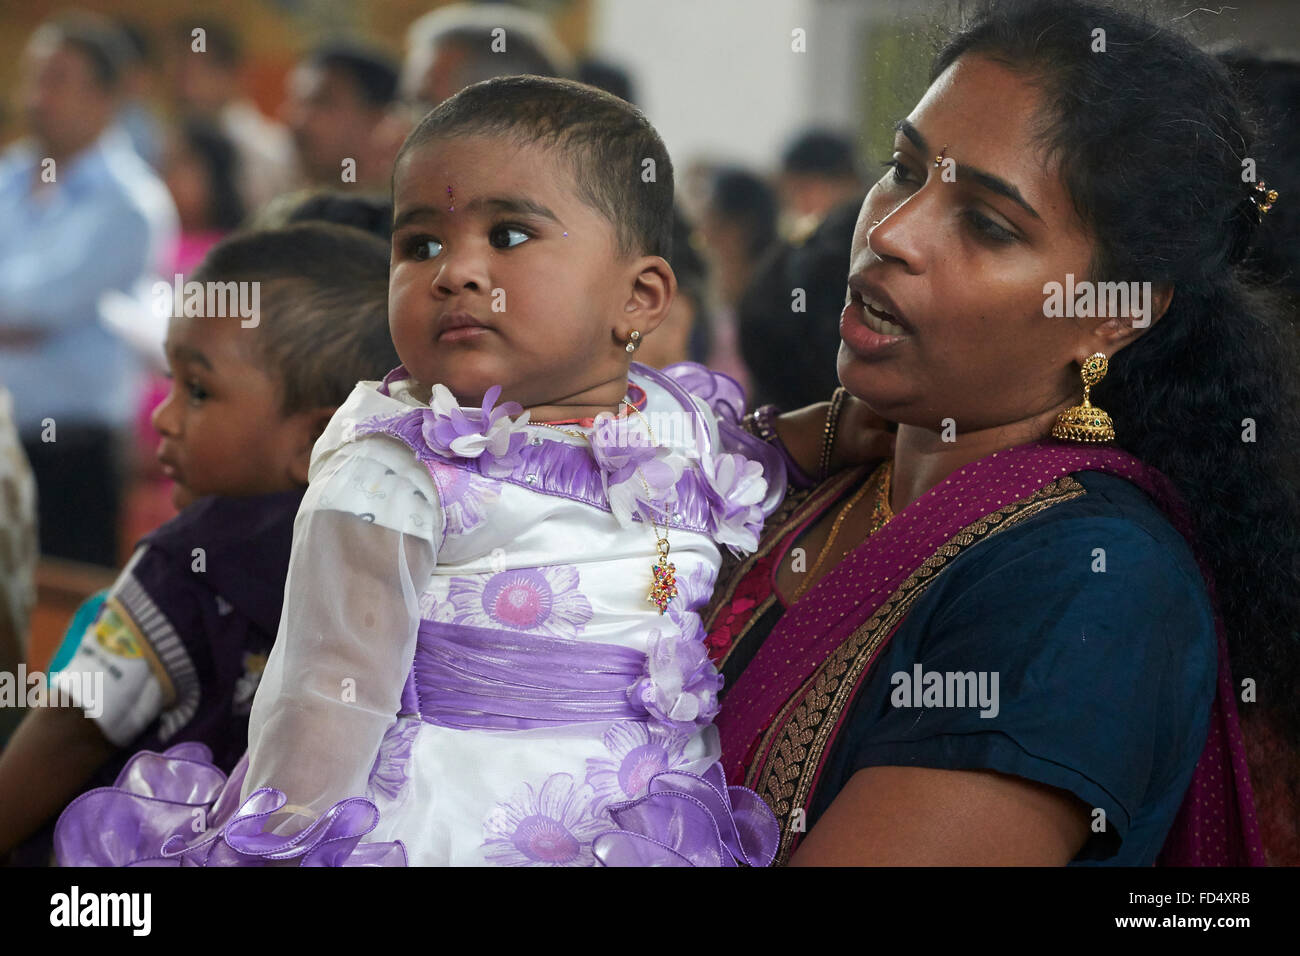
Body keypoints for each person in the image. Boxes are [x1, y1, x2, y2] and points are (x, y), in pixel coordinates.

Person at [55, 76, 785, 868]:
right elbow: (324, 691)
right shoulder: (396, 464)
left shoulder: (680, 425)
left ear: (640, 297)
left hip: (650, 827)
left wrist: (848, 424)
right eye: (421, 244)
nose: (455, 272)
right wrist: (276, 845)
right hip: (455, 825)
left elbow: (787, 448)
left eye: (508, 235)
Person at [707, 0, 1300, 866]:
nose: (888, 231)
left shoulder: (1088, 586)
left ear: (1112, 315)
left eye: (987, 224)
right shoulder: (823, 474)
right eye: (904, 170)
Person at [0, 223, 399, 865]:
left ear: (316, 438)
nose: (164, 416)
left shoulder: (186, 558)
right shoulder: (390, 552)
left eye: (199, 391)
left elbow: (71, 728)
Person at [0, 14, 178, 567]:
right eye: (33, 77)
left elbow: (38, 308)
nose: (35, 96)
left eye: (55, 79)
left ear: (106, 97)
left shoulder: (129, 202)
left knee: (56, 610)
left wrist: (23, 315)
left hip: (69, 451)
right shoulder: (8, 175)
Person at [284, 42, 400, 191]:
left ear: (376, 118)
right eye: (298, 102)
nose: (298, 120)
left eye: (322, 102)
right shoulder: (285, 204)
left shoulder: (399, 208)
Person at [776, 129, 864, 243]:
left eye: (803, 188)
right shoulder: (813, 234)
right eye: (792, 192)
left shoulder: (868, 231)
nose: (799, 201)